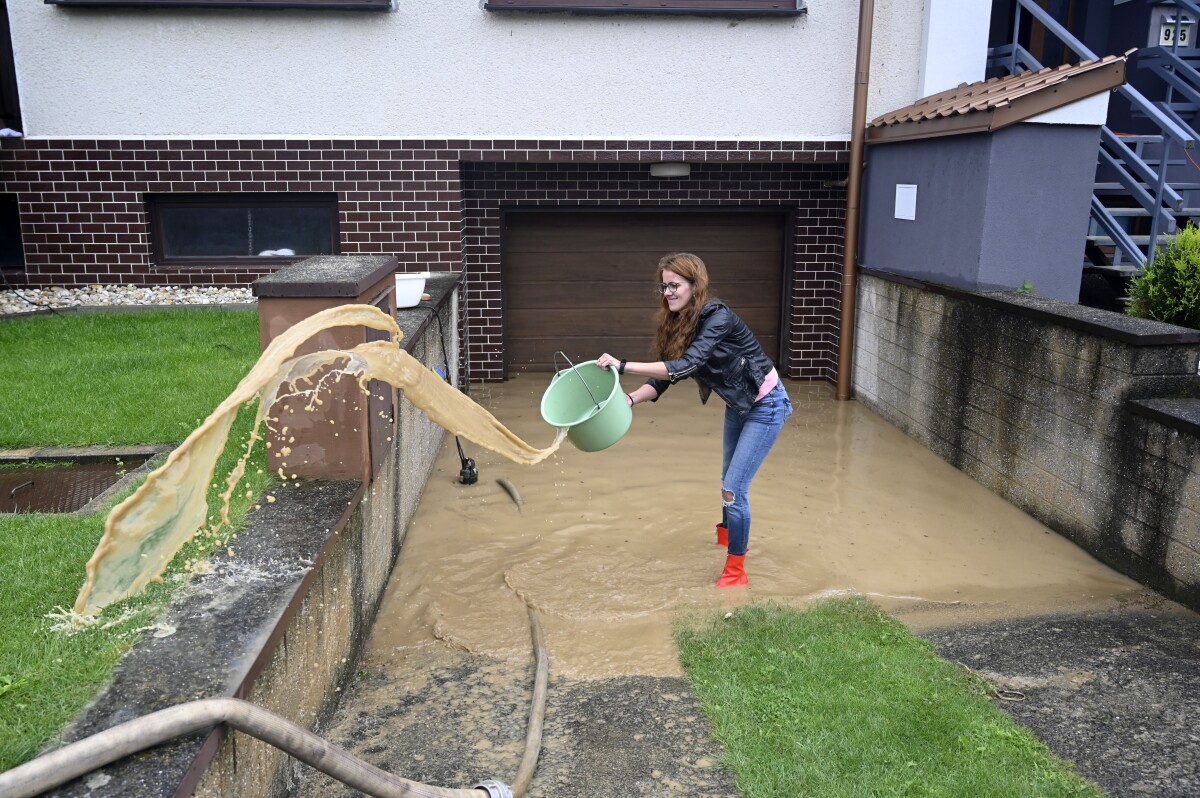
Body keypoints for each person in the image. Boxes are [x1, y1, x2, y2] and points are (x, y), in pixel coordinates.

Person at [596, 252, 792, 587]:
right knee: (727, 480)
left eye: (674, 285)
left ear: (694, 286)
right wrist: (629, 400)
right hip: (738, 404)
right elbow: (663, 378)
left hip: (766, 404)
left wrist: (623, 365)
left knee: (733, 489)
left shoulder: (718, 317)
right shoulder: (677, 322)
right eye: (663, 287)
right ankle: (728, 536)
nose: (668, 293)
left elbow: (685, 365)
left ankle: (736, 573)